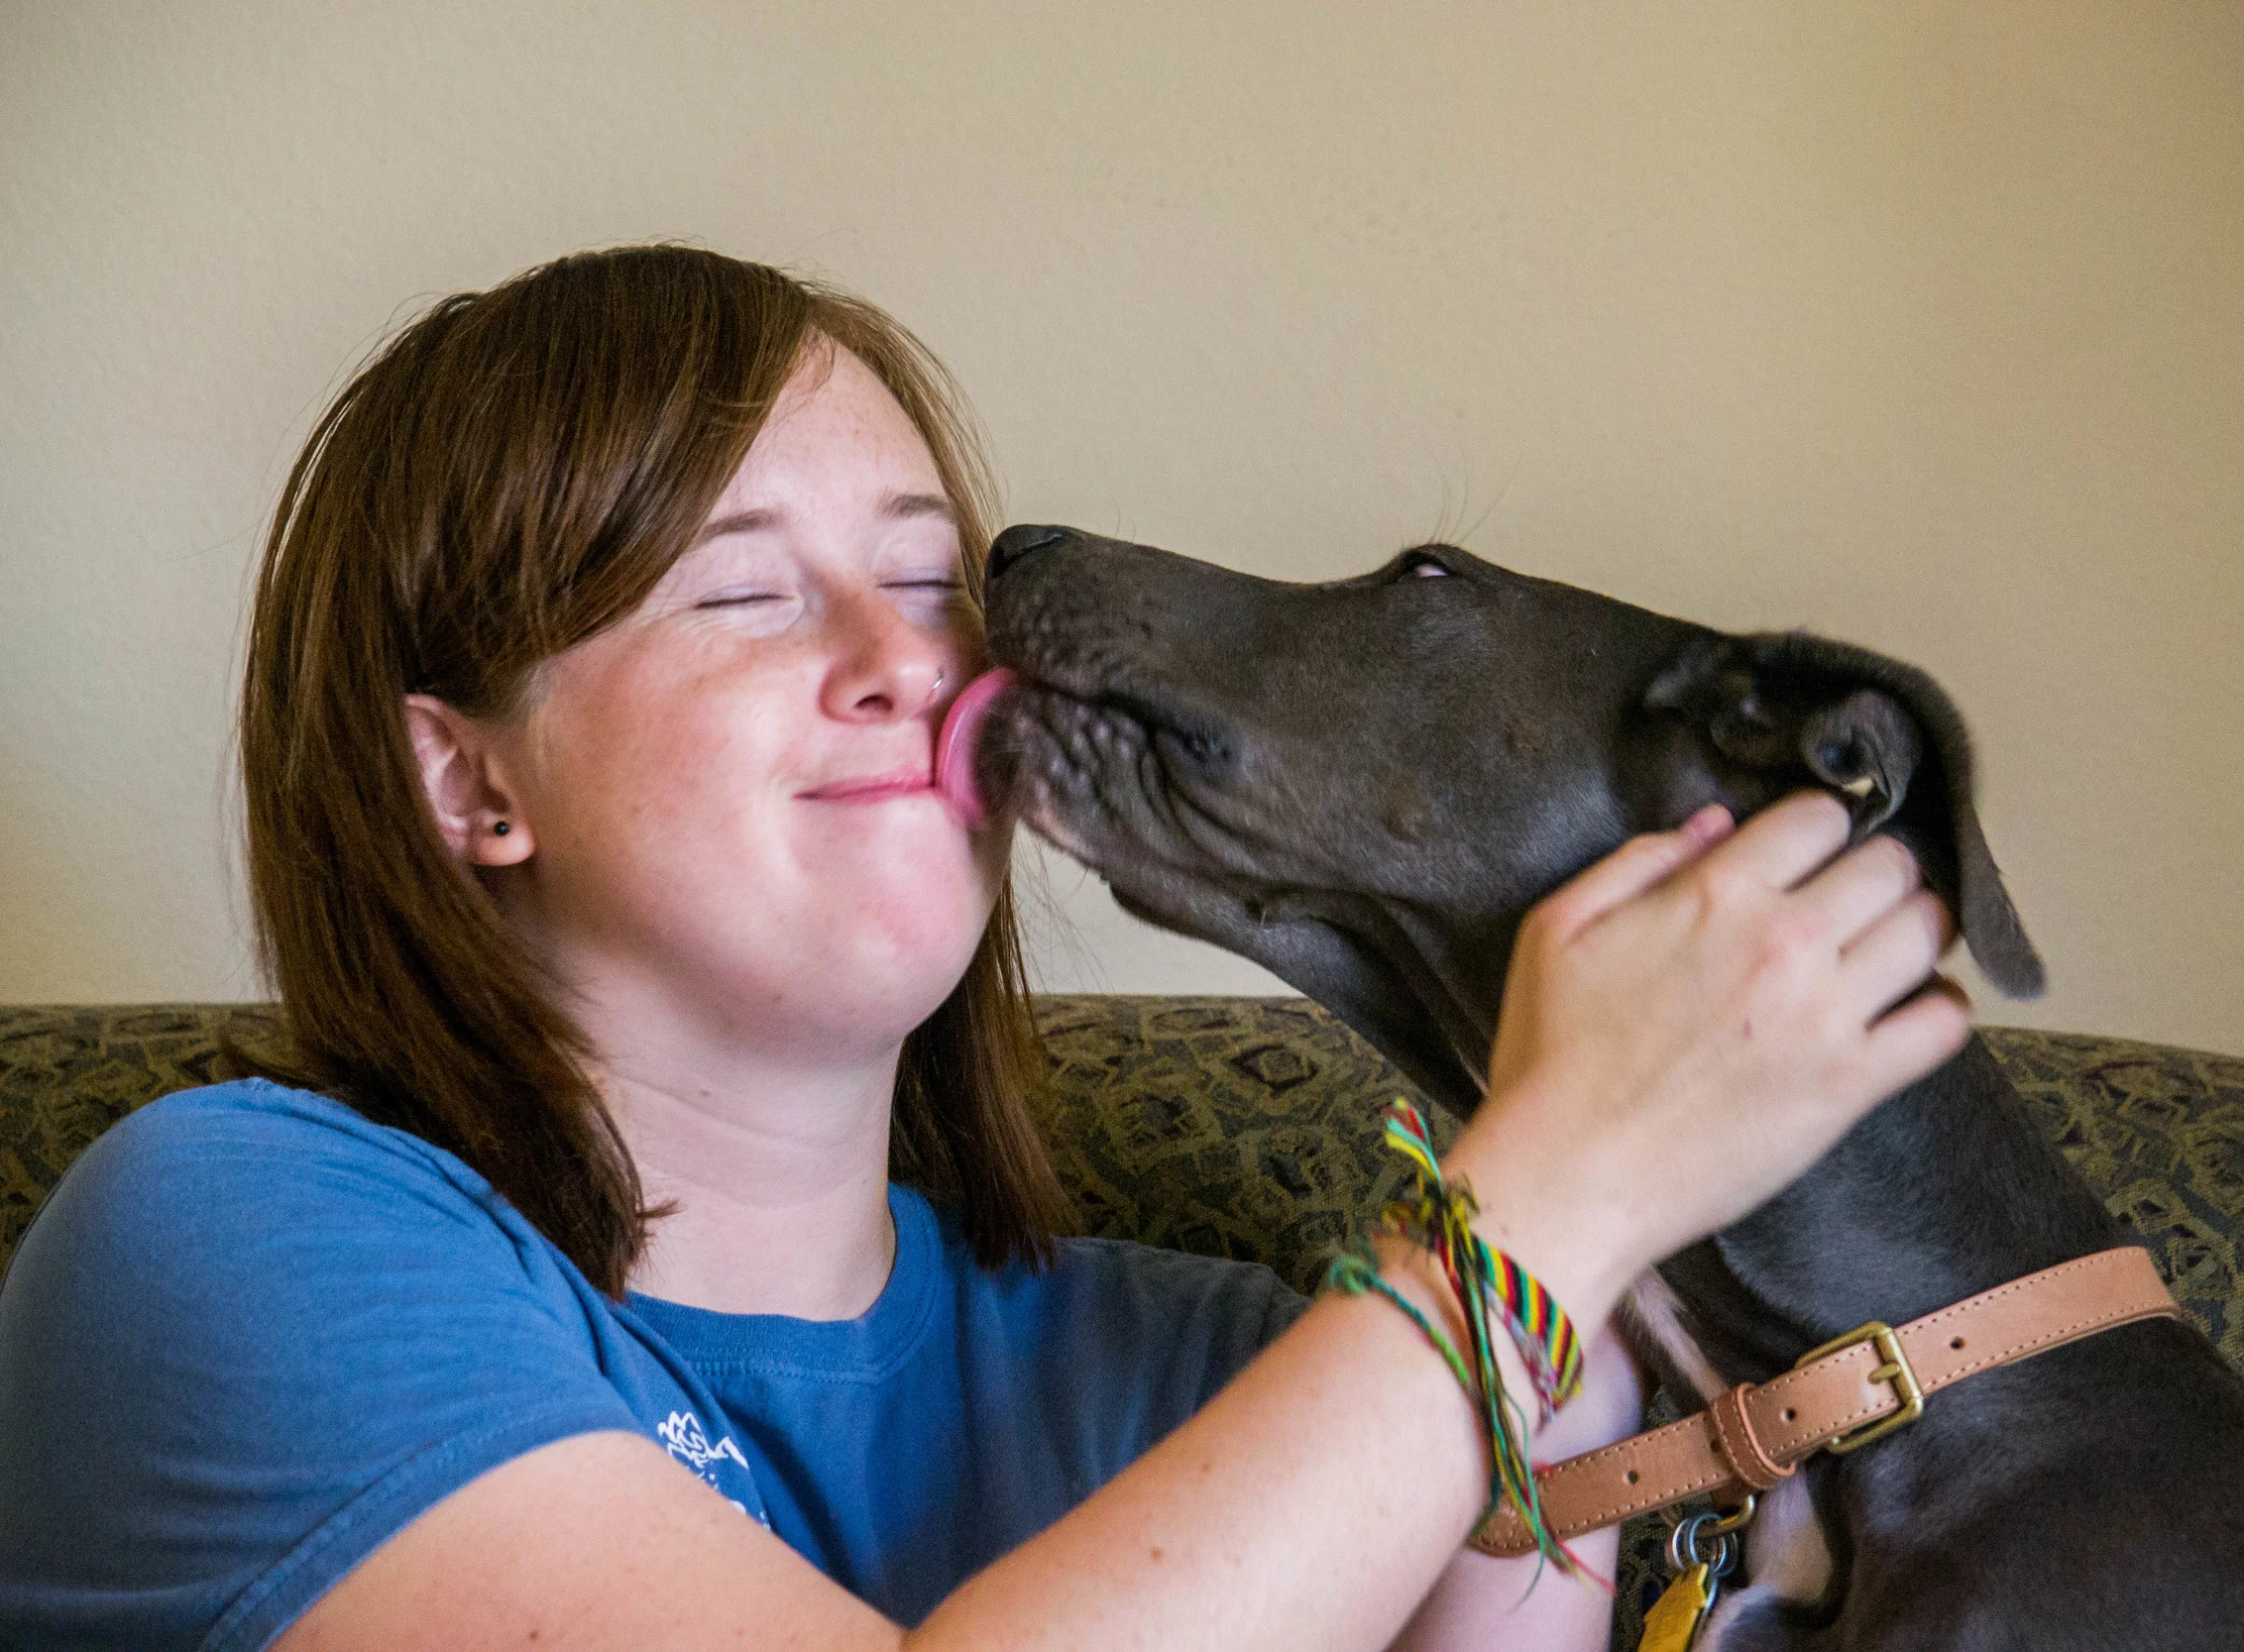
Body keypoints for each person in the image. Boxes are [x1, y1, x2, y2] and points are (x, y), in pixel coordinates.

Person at [0, 245, 1968, 1652]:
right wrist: (1553, 1183)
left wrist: (1581, 1253)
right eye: (745, 591)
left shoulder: (1223, 1372)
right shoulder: (219, 1240)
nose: (905, 659)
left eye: (933, 578)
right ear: (465, 782)